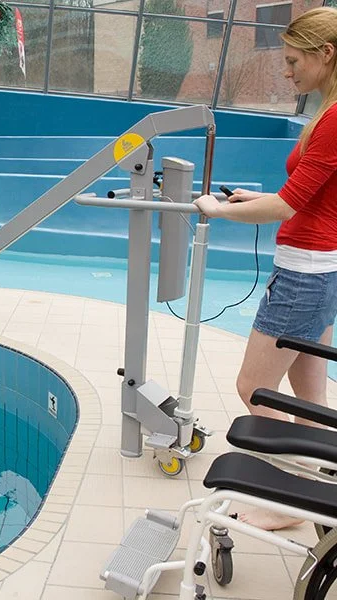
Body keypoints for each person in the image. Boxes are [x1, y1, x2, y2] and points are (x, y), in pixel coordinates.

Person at [194, 6, 337, 531]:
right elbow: (309, 198)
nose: (286, 71)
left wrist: (221, 210)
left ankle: (288, 501)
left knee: (253, 386)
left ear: (327, 55)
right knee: (311, 401)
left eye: (294, 60)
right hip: (320, 272)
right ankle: (316, 487)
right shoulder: (329, 111)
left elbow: (289, 208)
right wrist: (257, 196)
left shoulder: (334, 120)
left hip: (303, 276)